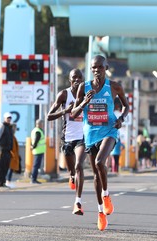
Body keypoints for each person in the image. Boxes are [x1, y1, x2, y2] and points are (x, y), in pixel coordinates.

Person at [71, 55, 129, 231]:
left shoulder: (114, 86)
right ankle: (100, 212)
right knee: (96, 174)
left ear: (106, 67)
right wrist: (85, 102)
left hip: (110, 130)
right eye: (94, 68)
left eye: (100, 67)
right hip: (91, 133)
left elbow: (126, 106)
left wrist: (121, 118)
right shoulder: (84, 87)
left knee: (99, 162)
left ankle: (106, 195)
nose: (97, 70)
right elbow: (73, 113)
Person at [46, 68, 86, 215]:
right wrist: (65, 111)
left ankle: (78, 202)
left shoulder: (87, 95)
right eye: (74, 78)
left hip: (82, 137)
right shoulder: (64, 94)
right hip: (68, 138)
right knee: (72, 173)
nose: (77, 80)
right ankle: (71, 176)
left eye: (80, 78)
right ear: (70, 80)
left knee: (79, 166)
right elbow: (49, 116)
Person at [0, 112, 14, 188]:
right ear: (4, 118)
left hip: (8, 150)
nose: (9, 119)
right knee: (1, 166)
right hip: (1, 149)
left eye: (10, 118)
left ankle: (3, 182)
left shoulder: (9, 127)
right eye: (8, 118)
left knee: (6, 166)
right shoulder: (2, 126)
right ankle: (0, 183)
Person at [30, 119, 45, 184]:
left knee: (36, 166)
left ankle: (34, 179)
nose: (42, 125)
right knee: (36, 166)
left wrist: (32, 146)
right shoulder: (38, 131)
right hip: (38, 150)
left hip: (37, 150)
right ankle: (33, 179)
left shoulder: (34, 130)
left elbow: (33, 140)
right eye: (42, 124)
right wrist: (33, 146)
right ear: (38, 124)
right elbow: (36, 140)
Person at [6, 123, 20, 188]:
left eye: (15, 128)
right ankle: (8, 182)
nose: (15, 129)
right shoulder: (10, 136)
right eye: (14, 128)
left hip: (12, 154)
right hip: (11, 154)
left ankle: (8, 181)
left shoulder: (12, 136)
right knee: (10, 168)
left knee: (10, 168)